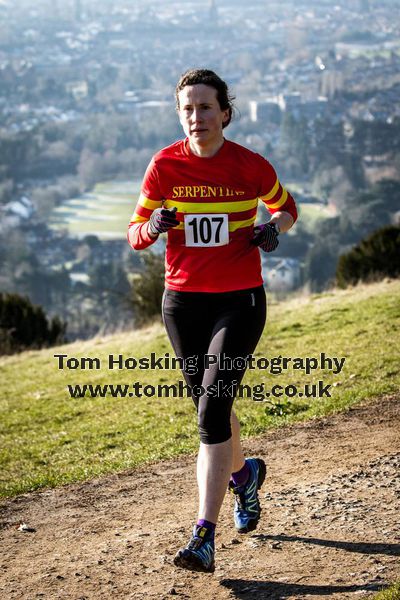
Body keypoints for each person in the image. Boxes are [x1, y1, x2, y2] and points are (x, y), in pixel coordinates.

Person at [127, 68, 297, 573]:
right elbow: (135, 232)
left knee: (210, 414)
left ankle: (204, 535)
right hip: (182, 303)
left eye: (205, 107)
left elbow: (287, 209)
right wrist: (153, 224)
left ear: (225, 112)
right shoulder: (163, 167)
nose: (195, 117)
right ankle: (244, 477)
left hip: (239, 300)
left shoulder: (250, 165)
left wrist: (271, 230)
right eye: (187, 108)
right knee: (212, 407)